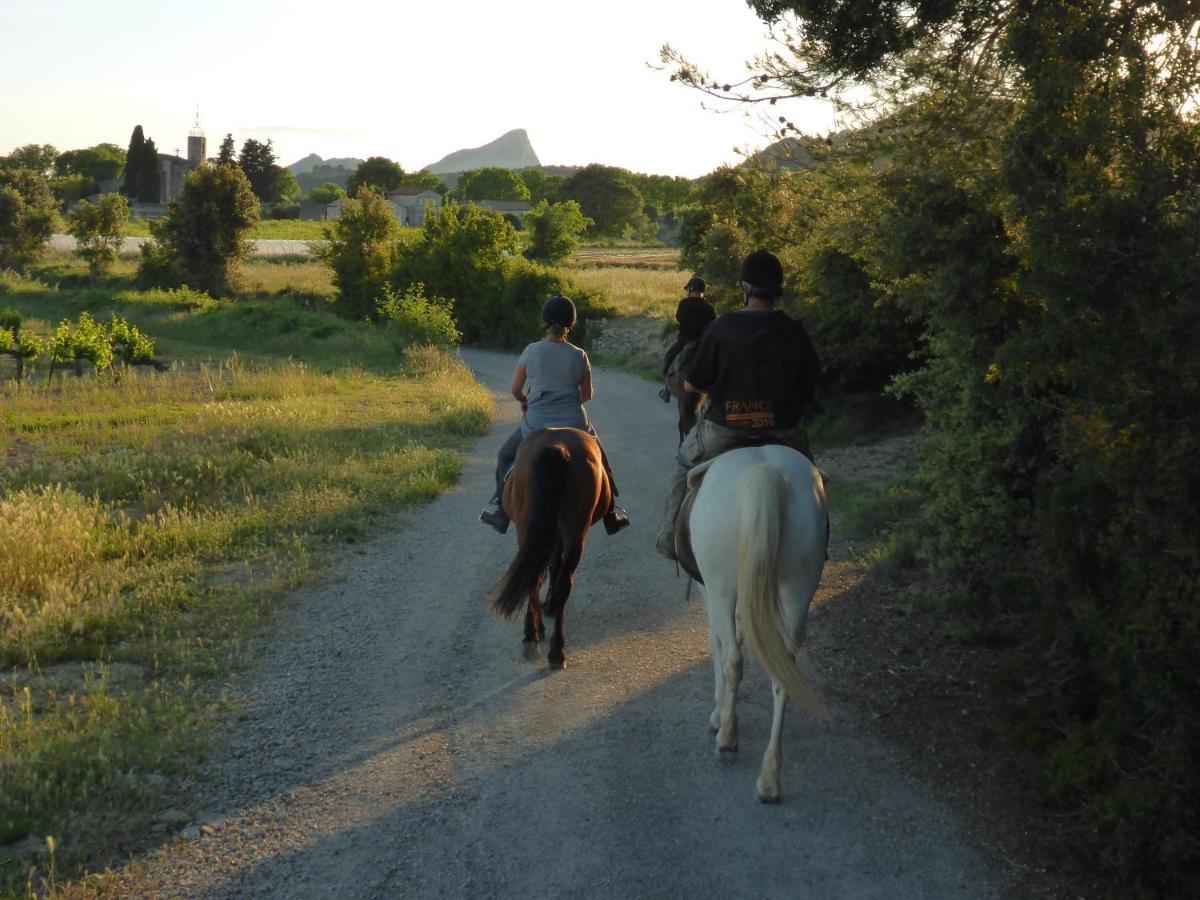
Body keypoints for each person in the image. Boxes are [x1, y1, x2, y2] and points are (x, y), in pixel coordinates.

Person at [655, 250, 819, 561]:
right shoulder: (794, 330)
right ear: (778, 288)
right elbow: (809, 389)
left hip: (725, 429)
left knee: (682, 465)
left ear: (744, 288)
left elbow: (692, 384)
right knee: (813, 479)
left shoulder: (723, 327)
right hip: (783, 430)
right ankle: (819, 542)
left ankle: (667, 537)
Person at [480, 294, 631, 536]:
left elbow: (515, 389)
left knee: (505, 456)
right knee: (601, 459)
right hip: (574, 421)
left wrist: (525, 400)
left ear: (545, 321)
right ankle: (612, 512)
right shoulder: (579, 355)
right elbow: (587, 394)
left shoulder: (531, 351)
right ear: (571, 324)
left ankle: (498, 507)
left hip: (536, 423)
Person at [658, 276, 716, 403]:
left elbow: (679, 318)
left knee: (669, 357)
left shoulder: (683, 304)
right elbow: (712, 324)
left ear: (691, 289)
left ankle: (666, 391)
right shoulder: (709, 307)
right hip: (703, 344)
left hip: (685, 341)